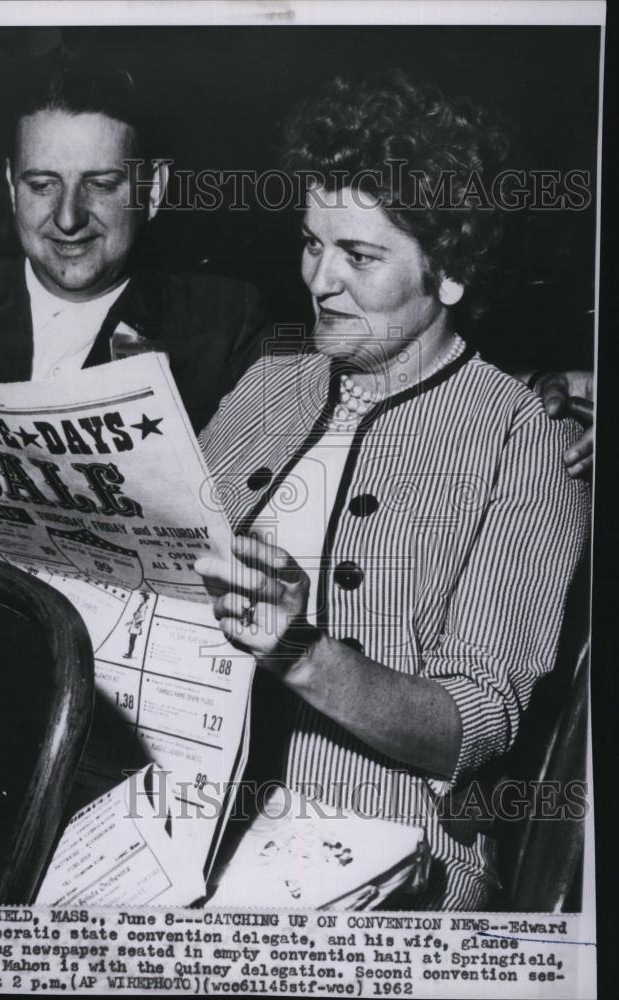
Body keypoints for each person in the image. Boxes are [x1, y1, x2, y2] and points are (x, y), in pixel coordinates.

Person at [194, 73, 591, 909]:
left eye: (360, 256)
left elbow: (471, 728)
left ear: (446, 272)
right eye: (311, 243)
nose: (319, 281)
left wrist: (301, 653)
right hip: (188, 808)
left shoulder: (516, 434)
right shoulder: (266, 384)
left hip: (384, 845)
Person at [0, 56, 269, 434]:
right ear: (12, 188)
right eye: (42, 185)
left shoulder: (225, 329)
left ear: (153, 191)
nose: (67, 218)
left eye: (100, 185)